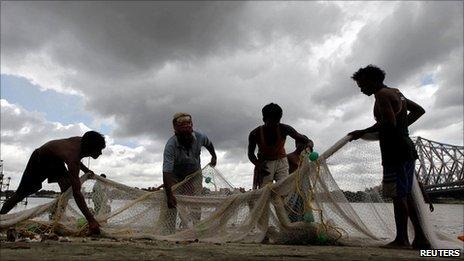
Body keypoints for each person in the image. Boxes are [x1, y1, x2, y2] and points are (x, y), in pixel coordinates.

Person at [347, 65, 429, 249]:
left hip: (395, 151)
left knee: (398, 195)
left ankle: (401, 240)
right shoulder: (396, 92)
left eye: (362, 85)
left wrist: (363, 131)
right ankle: (421, 239)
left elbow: (389, 123)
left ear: (372, 80)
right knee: (406, 195)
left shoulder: (382, 95)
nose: (361, 89)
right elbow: (419, 110)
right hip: (406, 147)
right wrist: (403, 128)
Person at [0, 131, 106, 235]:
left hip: (56, 161)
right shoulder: (72, 155)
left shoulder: (82, 143)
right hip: (40, 158)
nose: (101, 153)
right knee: (22, 193)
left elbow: (77, 159)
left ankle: (55, 218)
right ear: (90, 148)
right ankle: (2, 215)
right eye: (99, 150)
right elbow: (77, 192)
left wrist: (85, 170)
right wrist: (91, 220)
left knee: (66, 187)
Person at [161, 112, 217, 233]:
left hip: (194, 174)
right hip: (176, 175)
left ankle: (197, 229)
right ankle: (169, 231)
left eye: (189, 126)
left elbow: (209, 144)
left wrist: (214, 156)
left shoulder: (200, 137)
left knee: (196, 201)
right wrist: (169, 195)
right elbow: (167, 171)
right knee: (172, 201)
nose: (187, 131)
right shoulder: (171, 145)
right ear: (176, 129)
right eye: (183, 128)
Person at [248, 103, 312, 189]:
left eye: (277, 122)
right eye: (271, 122)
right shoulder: (255, 134)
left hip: (281, 161)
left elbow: (305, 140)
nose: (275, 125)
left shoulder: (284, 129)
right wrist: (258, 164)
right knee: (265, 190)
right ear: (264, 119)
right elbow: (250, 154)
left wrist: (310, 146)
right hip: (265, 164)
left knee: (284, 189)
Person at [286, 136, 314, 222]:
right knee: (291, 211)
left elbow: (311, 144)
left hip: (303, 190)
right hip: (291, 189)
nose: (304, 147)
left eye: (305, 145)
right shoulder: (289, 157)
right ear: (296, 144)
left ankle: (303, 230)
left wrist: (309, 144)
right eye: (301, 144)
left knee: (304, 213)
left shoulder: (305, 158)